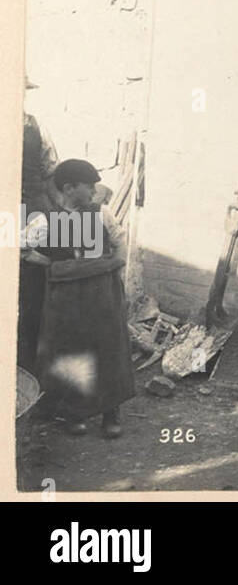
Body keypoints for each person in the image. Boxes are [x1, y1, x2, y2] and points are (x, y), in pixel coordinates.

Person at [34, 159, 135, 438]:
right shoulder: (47, 219)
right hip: (66, 296)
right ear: (69, 187)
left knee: (109, 347)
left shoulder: (102, 213)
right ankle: (74, 412)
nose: (94, 191)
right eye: (88, 186)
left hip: (102, 292)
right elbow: (25, 251)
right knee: (71, 349)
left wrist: (109, 268)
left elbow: (120, 246)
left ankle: (111, 412)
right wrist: (57, 266)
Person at [18, 90, 59, 372]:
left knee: (33, 291)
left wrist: (61, 214)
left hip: (32, 209)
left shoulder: (36, 126)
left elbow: (50, 172)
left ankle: (28, 366)